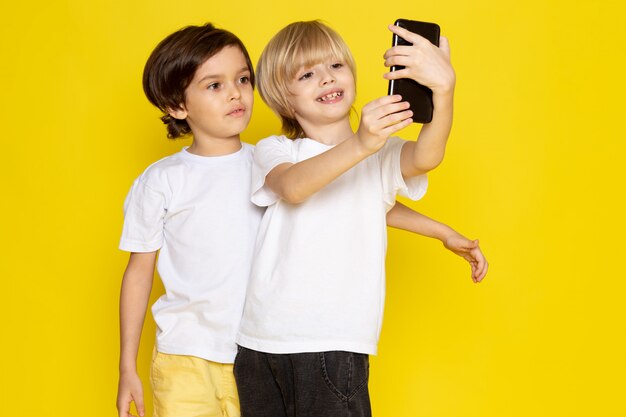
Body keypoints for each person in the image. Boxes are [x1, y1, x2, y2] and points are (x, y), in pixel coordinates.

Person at [116, 21, 485, 417]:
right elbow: (296, 188)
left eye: (243, 79)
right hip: (221, 349)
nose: (236, 93)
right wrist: (126, 364)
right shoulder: (265, 156)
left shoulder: (294, 155)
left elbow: (374, 191)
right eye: (214, 85)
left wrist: (443, 94)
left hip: (283, 344)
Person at [234, 20, 484, 417]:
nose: (326, 78)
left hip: (333, 341)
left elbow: (423, 159)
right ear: (284, 98)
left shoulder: (379, 155)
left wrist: (444, 91)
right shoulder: (275, 149)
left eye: (336, 66)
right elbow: (296, 188)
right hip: (259, 342)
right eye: (307, 74)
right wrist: (362, 143)